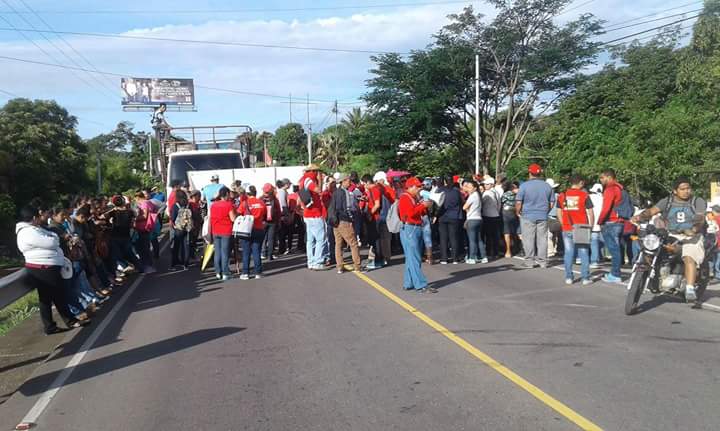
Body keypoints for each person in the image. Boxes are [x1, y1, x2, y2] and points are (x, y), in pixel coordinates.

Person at [16, 206, 89, 334]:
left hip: (47, 267)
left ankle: (56, 324)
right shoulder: (27, 232)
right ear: (34, 218)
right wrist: (54, 238)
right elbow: (52, 242)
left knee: (51, 296)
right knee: (53, 296)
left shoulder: (34, 229)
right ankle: (63, 322)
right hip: (42, 268)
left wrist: (53, 238)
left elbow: (53, 237)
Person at [632, 177, 707, 301]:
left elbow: (700, 217)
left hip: (691, 235)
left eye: (688, 188)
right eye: (683, 189)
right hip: (670, 234)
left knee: (689, 256)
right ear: (675, 191)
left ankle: (689, 288)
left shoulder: (697, 201)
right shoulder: (667, 201)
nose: (686, 191)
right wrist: (639, 216)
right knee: (651, 247)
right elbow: (652, 211)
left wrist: (694, 229)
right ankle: (653, 275)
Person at [399, 177, 436, 293]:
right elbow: (409, 213)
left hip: (412, 228)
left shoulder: (411, 197)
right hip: (410, 228)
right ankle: (420, 285)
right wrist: (423, 206)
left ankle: (408, 282)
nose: (420, 188)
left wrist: (423, 206)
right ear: (411, 187)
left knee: (411, 257)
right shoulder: (405, 197)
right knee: (414, 257)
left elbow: (414, 212)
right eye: (418, 186)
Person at [557, 174, 595, 285]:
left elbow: (559, 211)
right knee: (583, 252)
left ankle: (569, 277)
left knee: (568, 252)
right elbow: (591, 213)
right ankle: (585, 278)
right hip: (582, 227)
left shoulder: (562, 195)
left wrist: (563, 223)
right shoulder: (584, 195)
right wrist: (591, 227)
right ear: (581, 183)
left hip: (567, 227)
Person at [516, 164, 554, 268]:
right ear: (540, 173)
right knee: (542, 238)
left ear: (529, 173)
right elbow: (551, 203)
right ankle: (543, 261)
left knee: (528, 238)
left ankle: (529, 261)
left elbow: (519, 202)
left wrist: (518, 211)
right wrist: (546, 211)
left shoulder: (524, 186)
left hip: (527, 214)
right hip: (543, 214)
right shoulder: (547, 186)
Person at [597, 169, 628, 284]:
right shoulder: (620, 188)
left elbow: (606, 208)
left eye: (602, 177)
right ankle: (615, 272)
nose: (601, 180)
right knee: (617, 248)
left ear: (609, 177)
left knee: (613, 249)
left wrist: (599, 221)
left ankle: (615, 274)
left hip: (611, 222)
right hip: (619, 221)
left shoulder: (610, 189)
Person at [330, 174, 363, 273]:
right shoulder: (345, 193)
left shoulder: (335, 192)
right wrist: (350, 219)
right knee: (353, 243)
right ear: (343, 181)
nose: (350, 182)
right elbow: (347, 208)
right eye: (348, 181)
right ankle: (357, 266)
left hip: (335, 221)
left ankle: (339, 266)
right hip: (344, 220)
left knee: (338, 244)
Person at [299, 164, 328, 270]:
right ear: (314, 171)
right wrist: (320, 181)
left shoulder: (302, 179)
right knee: (321, 239)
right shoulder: (309, 179)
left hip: (308, 213)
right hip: (314, 213)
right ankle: (318, 262)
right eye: (317, 171)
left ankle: (311, 262)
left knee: (310, 240)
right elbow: (318, 190)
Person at [237, 186, 267, 280]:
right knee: (256, 251)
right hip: (259, 229)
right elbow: (265, 214)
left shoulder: (244, 203)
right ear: (255, 192)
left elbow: (239, 213)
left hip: (246, 229)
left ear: (247, 193)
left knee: (246, 252)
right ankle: (258, 272)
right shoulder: (261, 202)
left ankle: (245, 273)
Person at [210, 187, 237, 281]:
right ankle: (225, 272)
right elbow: (233, 218)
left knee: (217, 252)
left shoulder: (213, 205)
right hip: (226, 230)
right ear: (226, 194)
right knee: (225, 252)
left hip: (215, 230)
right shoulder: (228, 205)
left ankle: (218, 272)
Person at [438, 176, 464, 265]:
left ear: (445, 181)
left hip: (442, 215)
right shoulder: (457, 192)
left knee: (443, 238)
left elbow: (436, 203)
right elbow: (461, 202)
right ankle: (455, 258)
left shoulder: (440, 190)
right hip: (454, 216)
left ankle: (444, 258)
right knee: (454, 238)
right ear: (452, 181)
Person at [463, 180, 487, 264]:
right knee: (479, 239)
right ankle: (484, 257)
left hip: (472, 219)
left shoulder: (472, 196)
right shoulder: (478, 196)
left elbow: (464, 207)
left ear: (475, 188)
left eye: (469, 187)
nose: (468, 189)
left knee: (472, 240)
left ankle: (472, 258)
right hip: (479, 219)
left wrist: (467, 209)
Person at [133, 192, 156, 273]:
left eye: (135, 199)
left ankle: (148, 266)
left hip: (143, 228)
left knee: (143, 248)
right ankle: (148, 265)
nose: (135, 201)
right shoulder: (149, 202)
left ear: (138, 197)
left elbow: (144, 216)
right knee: (145, 247)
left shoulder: (144, 204)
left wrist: (135, 218)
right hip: (146, 228)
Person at [170, 190, 192, 270]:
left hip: (178, 228)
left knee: (176, 247)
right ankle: (185, 264)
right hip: (187, 227)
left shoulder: (175, 206)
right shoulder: (188, 204)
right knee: (185, 246)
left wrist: (174, 226)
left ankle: (174, 264)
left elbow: (172, 218)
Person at [481, 177, 502, 258]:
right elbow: (499, 204)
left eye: (487, 184)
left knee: (488, 235)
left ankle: (489, 252)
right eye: (485, 184)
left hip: (488, 215)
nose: (485, 186)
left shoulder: (487, 193)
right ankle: (496, 252)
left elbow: (481, 204)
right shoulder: (496, 192)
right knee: (495, 236)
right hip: (496, 215)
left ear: (491, 184)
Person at [261, 183, 281, 261]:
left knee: (263, 238)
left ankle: (263, 253)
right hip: (272, 221)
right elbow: (279, 211)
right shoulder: (274, 199)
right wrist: (279, 221)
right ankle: (270, 255)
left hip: (263, 221)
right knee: (271, 239)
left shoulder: (260, 199)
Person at [501, 181, 520, 258]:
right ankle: (516, 248)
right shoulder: (517, 195)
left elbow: (501, 203)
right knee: (514, 231)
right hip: (514, 212)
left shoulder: (505, 195)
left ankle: (508, 251)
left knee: (507, 232)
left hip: (506, 213)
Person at [588, 183, 605, 268]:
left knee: (593, 242)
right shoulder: (603, 198)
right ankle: (600, 258)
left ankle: (594, 260)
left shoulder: (589, 197)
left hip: (591, 222)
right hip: (601, 223)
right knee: (600, 241)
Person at [276, 179, 292, 255]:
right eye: (289, 184)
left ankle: (282, 248)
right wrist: (287, 214)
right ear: (286, 184)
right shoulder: (282, 192)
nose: (290, 185)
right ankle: (282, 249)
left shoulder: (282, 191)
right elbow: (283, 204)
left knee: (283, 232)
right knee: (283, 232)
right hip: (282, 214)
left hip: (281, 213)